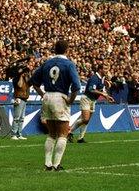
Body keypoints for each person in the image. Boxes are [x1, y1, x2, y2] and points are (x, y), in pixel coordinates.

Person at [30, 40, 80, 171]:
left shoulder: (47, 63)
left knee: (51, 134)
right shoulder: (69, 64)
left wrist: (42, 95)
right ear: (67, 50)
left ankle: (47, 163)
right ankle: (57, 164)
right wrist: (70, 100)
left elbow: (34, 81)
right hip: (60, 97)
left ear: (54, 49)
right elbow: (76, 86)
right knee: (63, 133)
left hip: (47, 96)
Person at [69, 64, 114, 143]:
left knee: (86, 120)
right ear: (100, 70)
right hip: (86, 98)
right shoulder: (94, 78)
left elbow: (100, 90)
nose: (107, 71)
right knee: (85, 119)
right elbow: (91, 89)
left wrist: (107, 97)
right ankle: (69, 131)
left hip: (93, 100)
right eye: (105, 69)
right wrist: (103, 94)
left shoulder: (102, 78)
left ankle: (80, 138)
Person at [6, 56, 32, 140]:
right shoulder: (16, 78)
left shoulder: (26, 78)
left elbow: (29, 84)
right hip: (19, 97)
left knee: (21, 118)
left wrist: (27, 74)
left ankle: (19, 134)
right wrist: (21, 76)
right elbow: (20, 85)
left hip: (24, 98)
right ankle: (13, 134)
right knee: (17, 117)